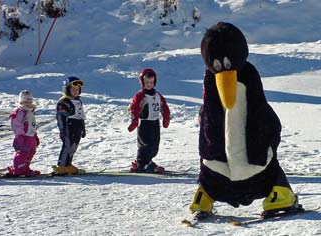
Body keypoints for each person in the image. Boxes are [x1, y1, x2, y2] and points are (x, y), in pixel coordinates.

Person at [189, 22, 301, 219]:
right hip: (253, 167)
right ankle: (281, 195)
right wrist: (269, 143)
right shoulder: (247, 75)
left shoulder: (213, 78)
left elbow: (208, 123)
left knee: (210, 173)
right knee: (271, 172)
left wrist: (208, 152)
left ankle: (204, 197)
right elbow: (265, 118)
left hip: (217, 170)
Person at [128, 68, 170, 173]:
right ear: (142, 82)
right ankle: (141, 163)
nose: (149, 84)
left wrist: (166, 118)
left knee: (155, 144)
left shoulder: (157, 95)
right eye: (146, 82)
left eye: (151, 82)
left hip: (155, 122)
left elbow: (164, 106)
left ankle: (148, 161)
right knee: (146, 144)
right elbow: (134, 108)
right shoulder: (141, 96)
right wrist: (134, 121)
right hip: (144, 123)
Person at [53, 76, 86, 175]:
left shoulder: (78, 101)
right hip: (68, 126)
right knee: (67, 146)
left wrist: (83, 128)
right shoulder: (63, 102)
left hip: (77, 126)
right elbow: (60, 117)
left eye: (77, 90)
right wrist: (62, 130)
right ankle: (62, 165)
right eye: (73, 89)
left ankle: (68, 164)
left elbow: (81, 115)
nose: (76, 92)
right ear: (67, 89)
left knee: (73, 147)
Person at [8, 90, 40, 177]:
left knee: (31, 152)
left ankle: (25, 168)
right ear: (21, 102)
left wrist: (35, 135)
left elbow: (32, 125)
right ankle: (18, 169)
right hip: (23, 137)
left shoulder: (30, 111)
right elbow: (16, 125)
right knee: (23, 153)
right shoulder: (19, 112)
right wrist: (20, 136)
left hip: (31, 137)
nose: (28, 104)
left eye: (30, 102)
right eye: (26, 102)